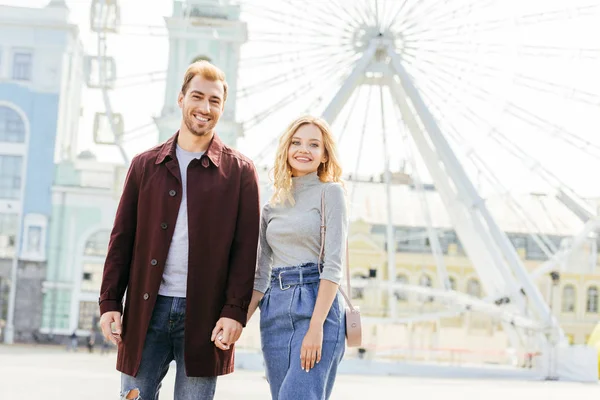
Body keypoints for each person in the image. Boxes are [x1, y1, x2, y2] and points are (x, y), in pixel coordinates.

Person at [98, 60, 261, 400]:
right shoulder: (145, 165)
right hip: (146, 310)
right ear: (181, 99)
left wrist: (235, 313)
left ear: (222, 107)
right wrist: (110, 301)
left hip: (206, 317)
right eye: (197, 97)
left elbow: (247, 253)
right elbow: (121, 239)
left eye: (214, 101)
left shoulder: (241, 172)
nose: (204, 108)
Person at [246, 115, 348, 400]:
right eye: (297, 142)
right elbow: (260, 274)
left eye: (314, 144)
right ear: (286, 149)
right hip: (274, 309)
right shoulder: (271, 205)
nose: (304, 150)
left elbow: (333, 266)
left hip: (317, 306)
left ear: (325, 154)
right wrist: (237, 323)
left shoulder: (331, 193)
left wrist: (316, 328)